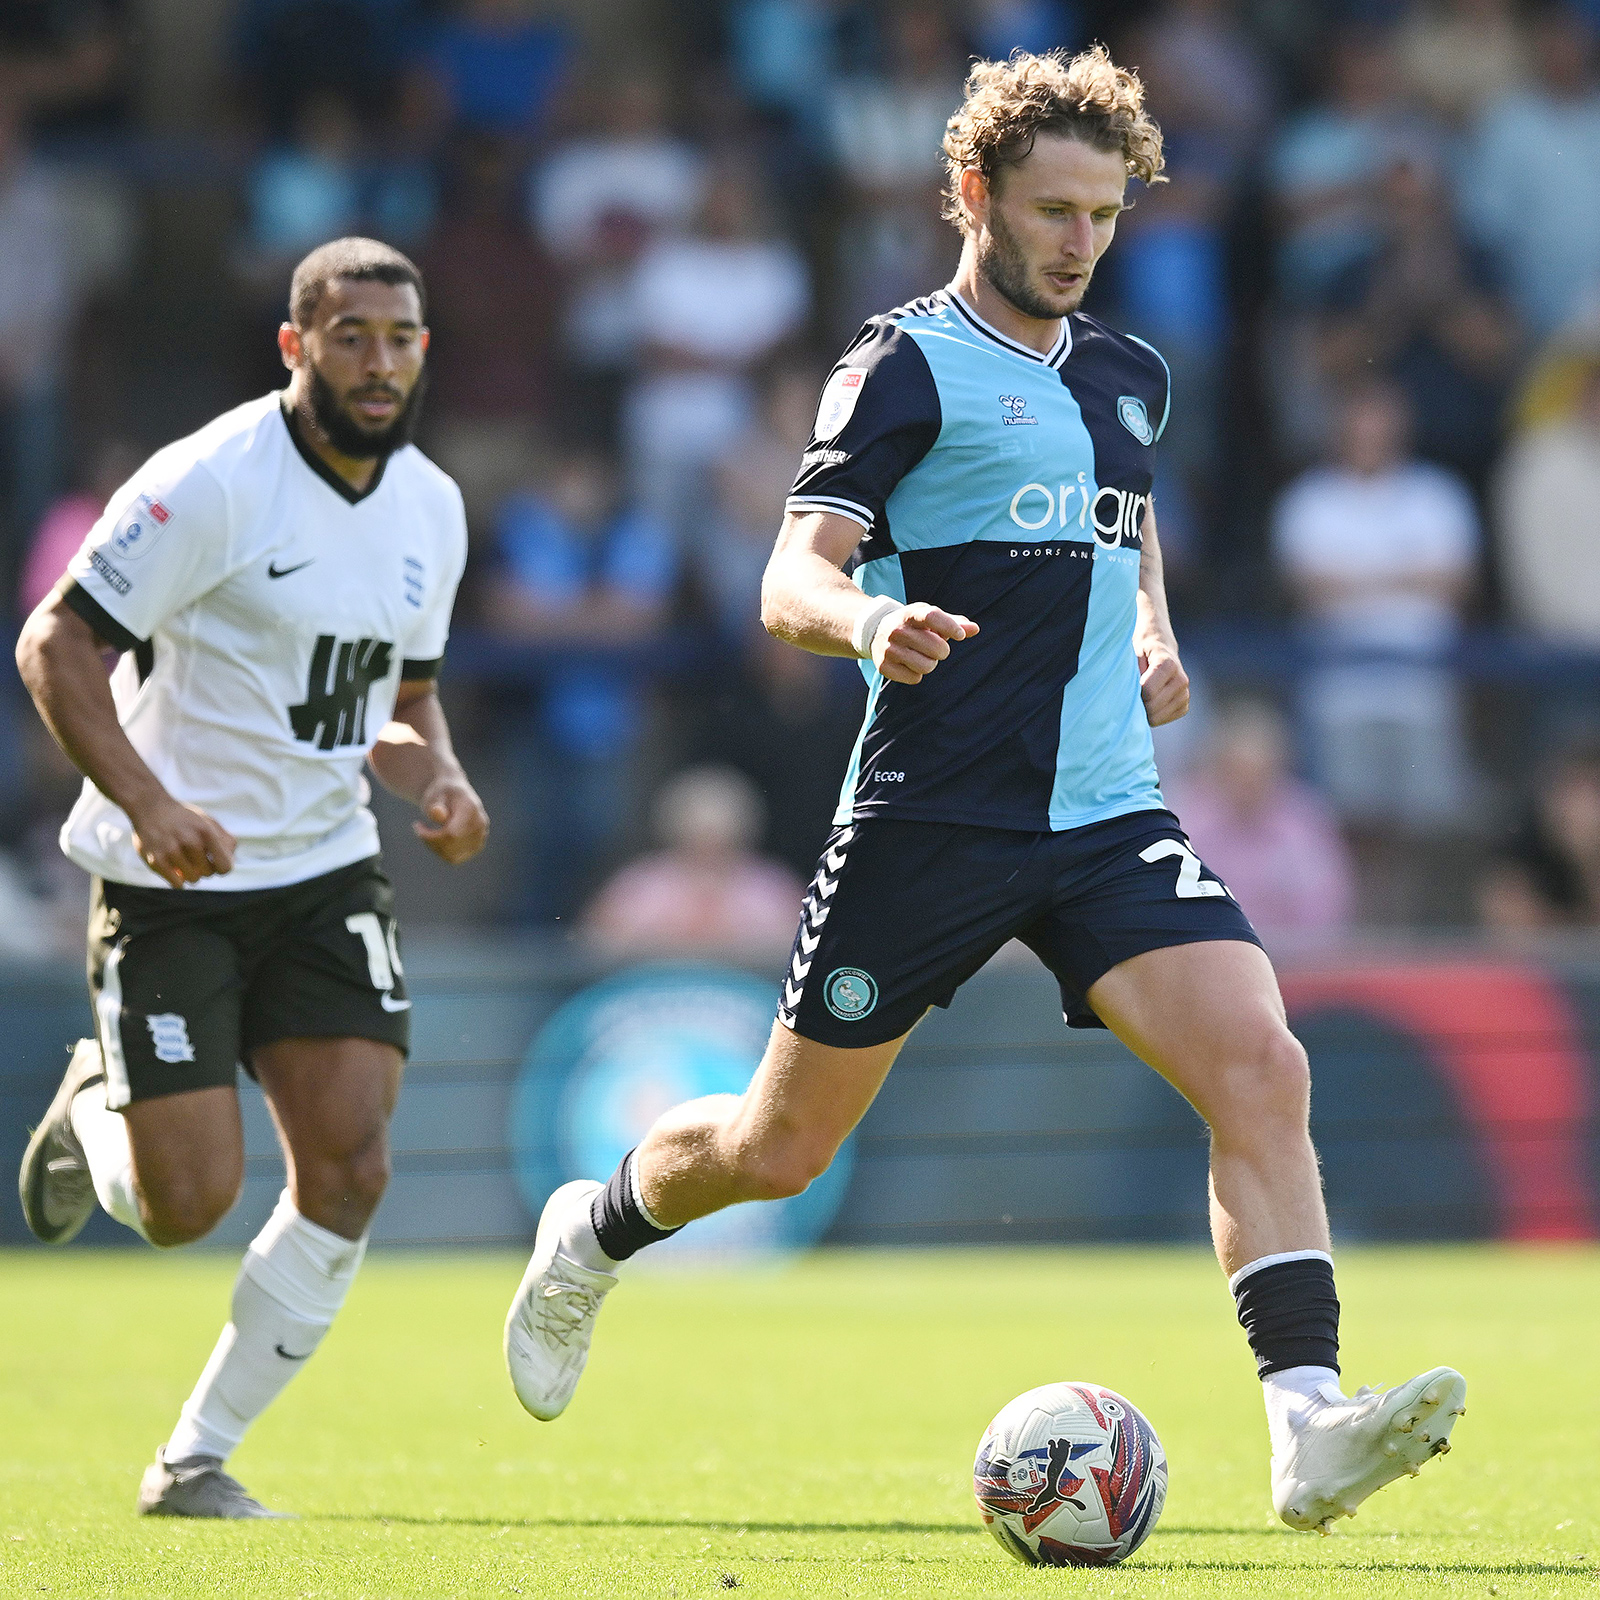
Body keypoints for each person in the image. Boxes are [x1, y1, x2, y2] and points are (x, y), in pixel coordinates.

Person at [502, 47, 1466, 1536]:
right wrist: (865, 621)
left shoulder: (1131, 376)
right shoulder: (901, 365)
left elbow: (1122, 525)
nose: (1082, 240)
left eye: (1106, 213)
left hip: (1103, 809)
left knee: (1262, 1068)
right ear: (973, 196)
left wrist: (1151, 622)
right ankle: (599, 1223)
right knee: (778, 1148)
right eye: (1055, 210)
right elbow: (786, 576)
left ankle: (1306, 1424)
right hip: (930, 813)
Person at [14, 237, 489, 1518]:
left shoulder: (432, 507)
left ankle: (193, 1459)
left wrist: (436, 778)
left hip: (325, 870)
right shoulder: (208, 483)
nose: (378, 363)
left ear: (423, 350)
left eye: (399, 339)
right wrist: (148, 799)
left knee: (351, 1169)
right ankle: (96, 1102)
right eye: (349, 338)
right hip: (173, 880)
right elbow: (54, 638)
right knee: (186, 1205)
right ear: (296, 346)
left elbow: (403, 697)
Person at [582, 766, 805, 964]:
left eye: (721, 845)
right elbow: (594, 952)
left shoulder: (771, 891)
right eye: (696, 842)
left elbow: (802, 955)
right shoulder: (641, 887)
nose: (708, 856)